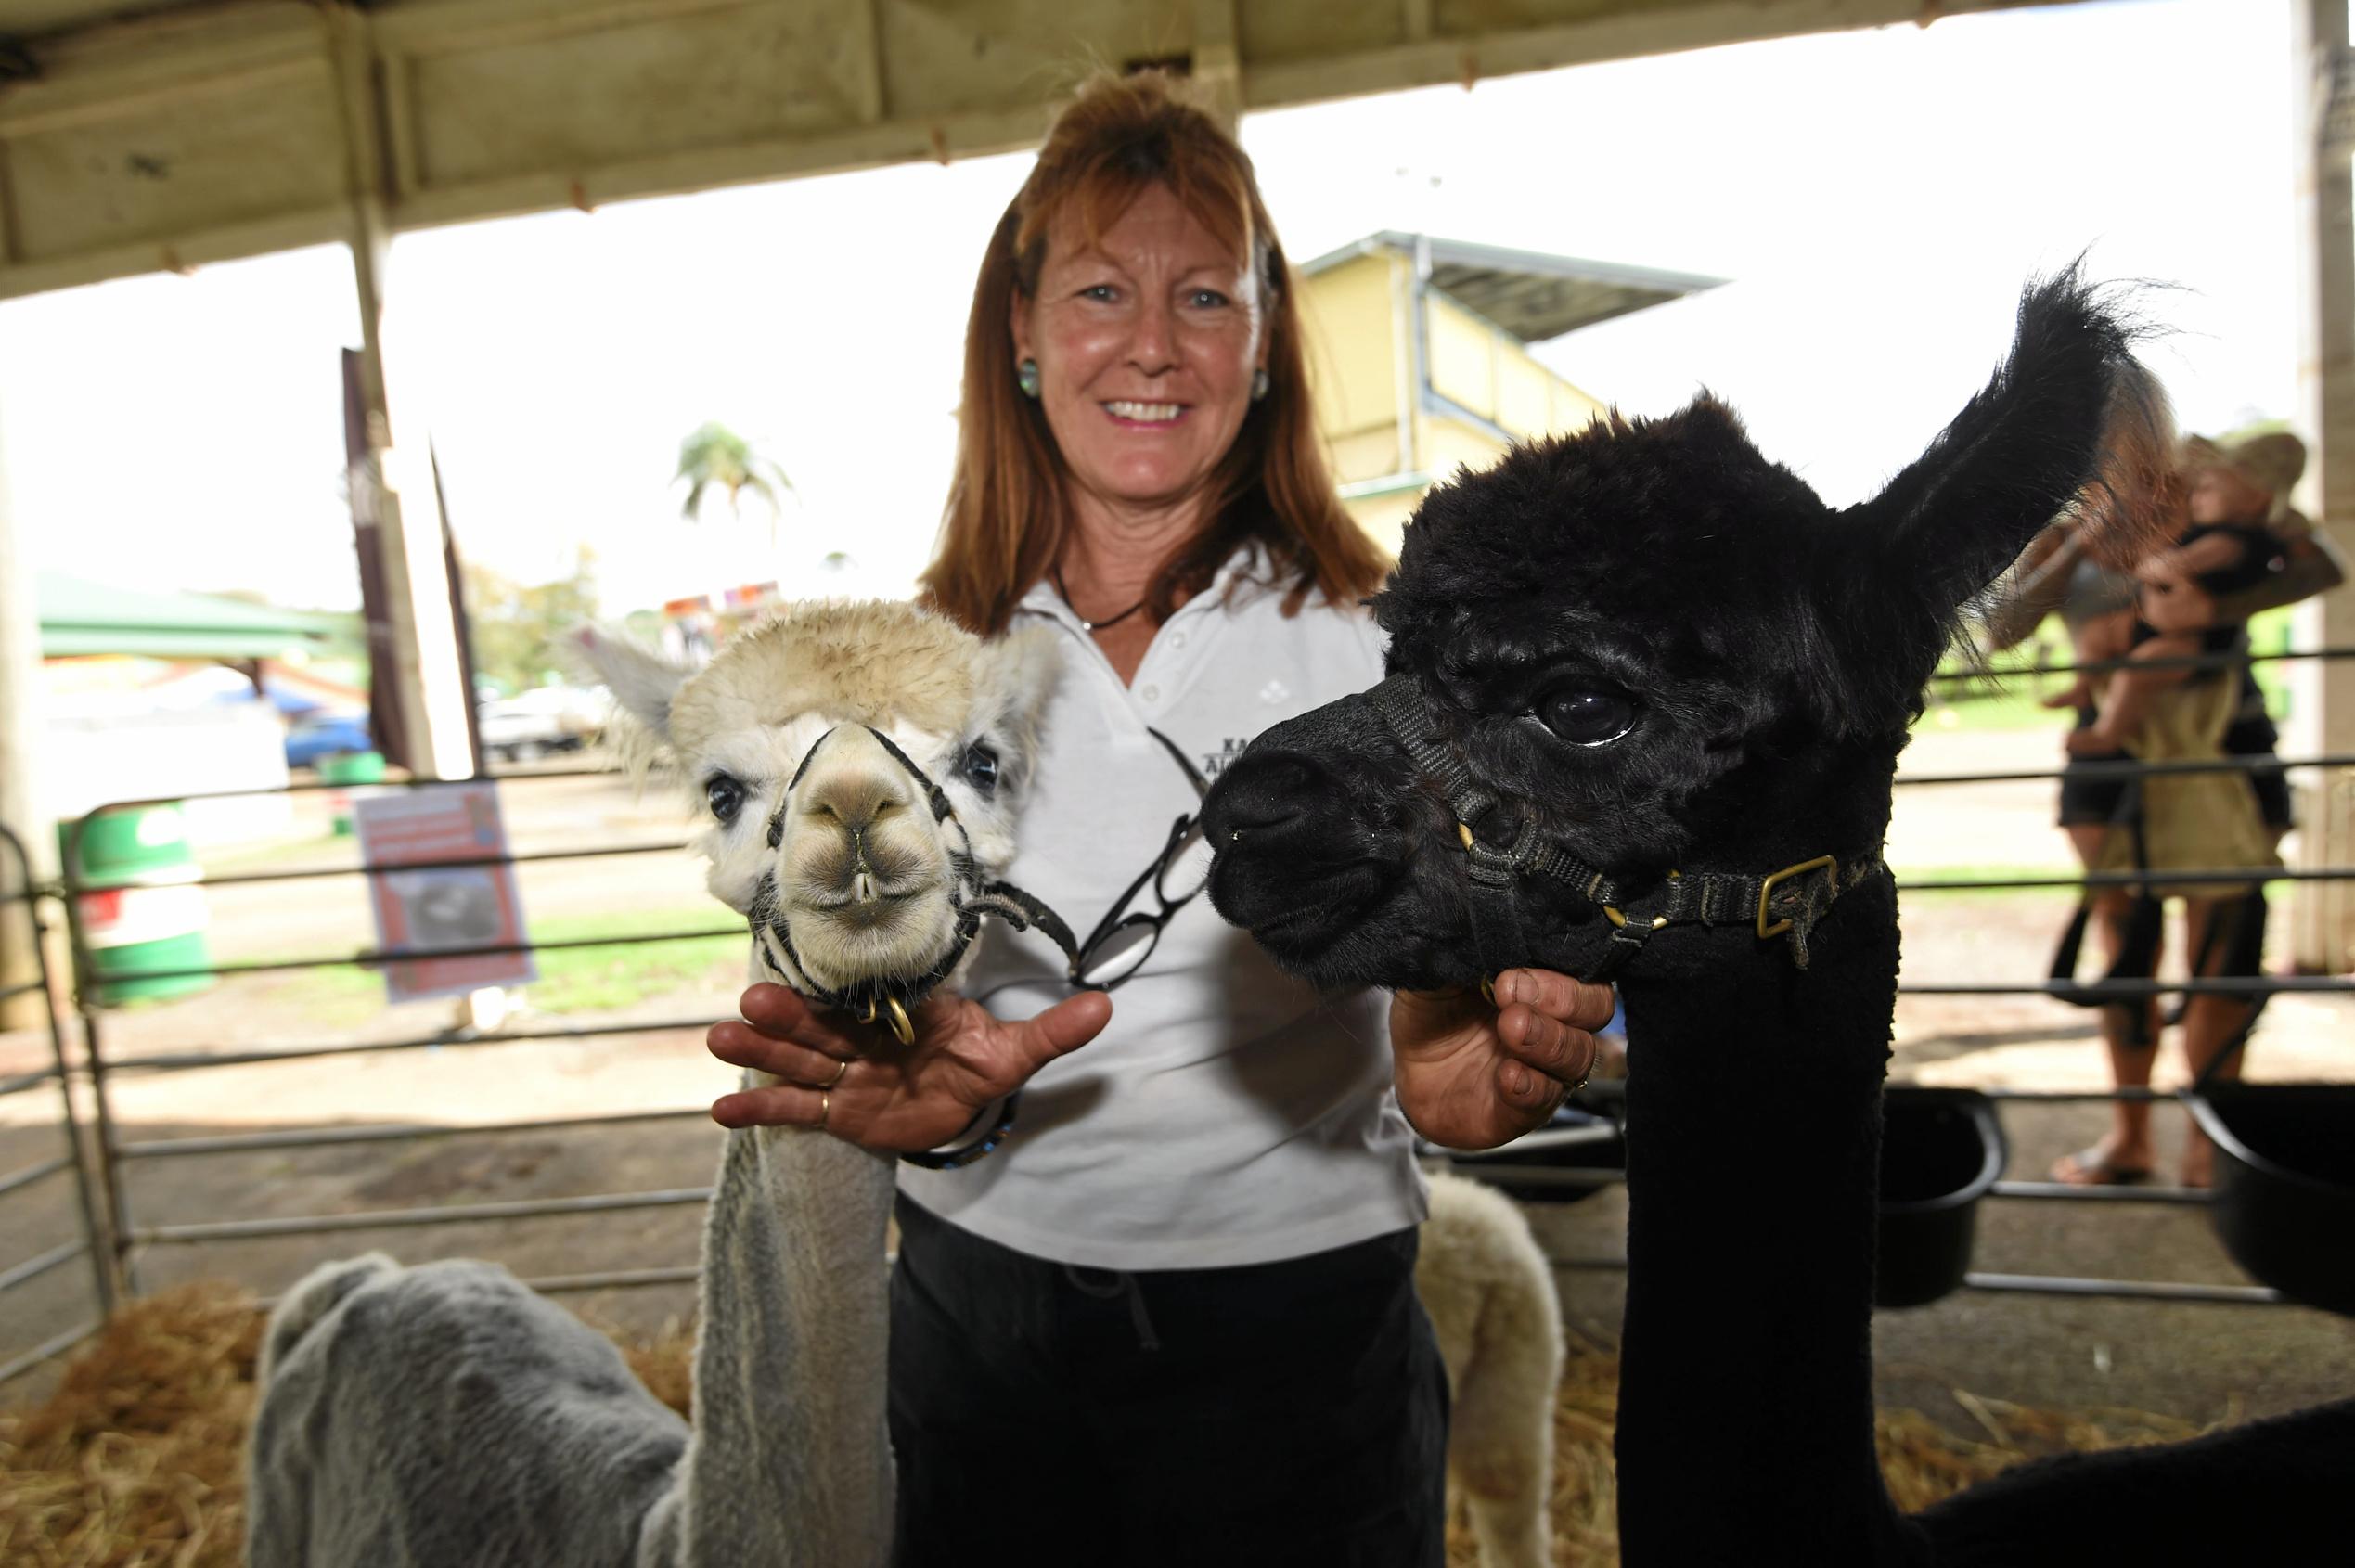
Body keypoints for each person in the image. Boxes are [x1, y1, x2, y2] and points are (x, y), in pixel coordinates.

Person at [700, 71, 1609, 1566]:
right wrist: (925, 1097)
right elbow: (895, 1028)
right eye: (1101, 289)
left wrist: (1460, 1070)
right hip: (976, 1311)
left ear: (1262, 343)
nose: (1149, 342)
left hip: (1304, 1326)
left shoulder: (1394, 647)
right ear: (1020, 330)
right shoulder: (911, 668)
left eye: (1205, 295)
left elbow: (1442, 1022)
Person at [2010, 431, 2342, 1187]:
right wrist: (2082, 542)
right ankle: (2130, 1139)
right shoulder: (2065, 532)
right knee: (2127, 941)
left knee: (2225, 943)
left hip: (2230, 748)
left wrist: (2254, 527)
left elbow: (2321, 569)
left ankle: (2207, 1143)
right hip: (2110, 762)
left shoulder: (2224, 522)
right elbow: (2004, 629)